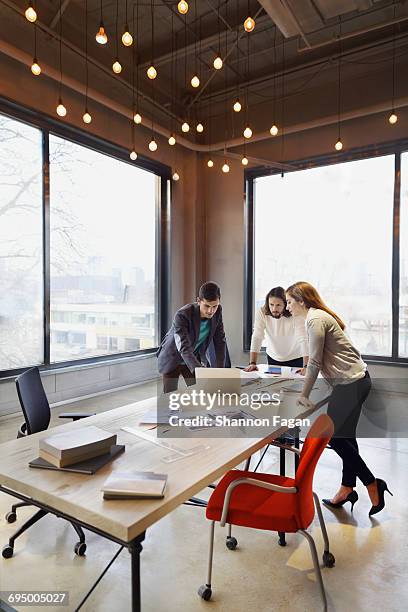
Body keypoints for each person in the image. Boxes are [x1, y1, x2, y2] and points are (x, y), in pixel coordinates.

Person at [285, 281, 392, 517]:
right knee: (346, 437)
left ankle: (372, 483)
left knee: (335, 437)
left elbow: (314, 362)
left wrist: (303, 394)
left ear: (301, 301)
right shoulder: (316, 317)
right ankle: (346, 488)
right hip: (357, 380)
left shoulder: (315, 319)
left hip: (351, 384)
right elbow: (318, 359)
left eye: (290, 302)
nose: (288, 306)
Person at [157, 281, 226, 393]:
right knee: (170, 396)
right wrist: (199, 371)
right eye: (207, 306)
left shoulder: (218, 312)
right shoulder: (182, 315)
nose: (211, 311)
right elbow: (183, 347)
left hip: (193, 357)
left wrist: (220, 371)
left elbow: (220, 341)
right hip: (173, 357)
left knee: (197, 393)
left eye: (215, 306)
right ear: (199, 301)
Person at [244, 286, 308, 372]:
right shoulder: (262, 312)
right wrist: (252, 363)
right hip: (273, 358)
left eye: (278, 305)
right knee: (274, 384)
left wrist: (306, 366)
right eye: (271, 304)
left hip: (296, 357)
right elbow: (257, 336)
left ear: (285, 304)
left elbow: (303, 338)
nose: (274, 309)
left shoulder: (295, 312)